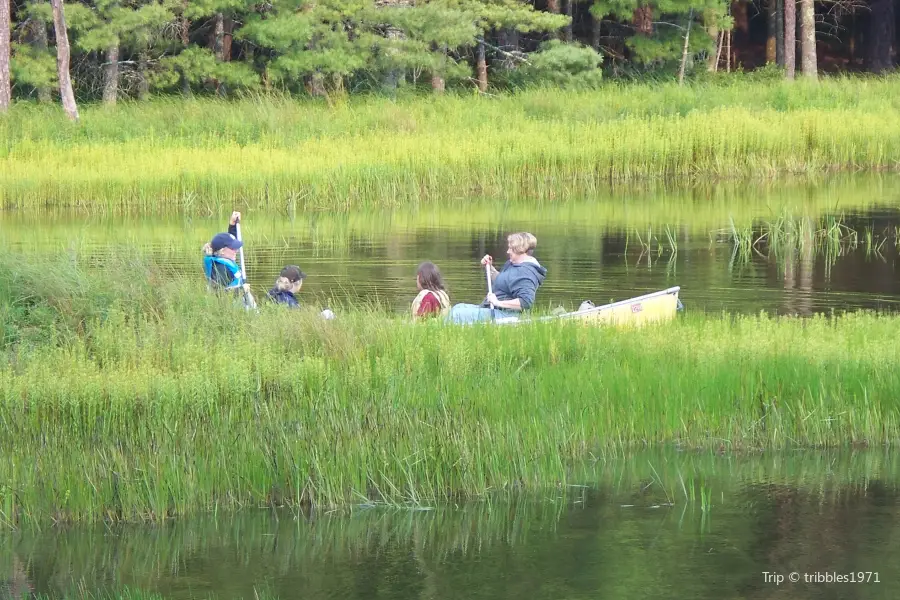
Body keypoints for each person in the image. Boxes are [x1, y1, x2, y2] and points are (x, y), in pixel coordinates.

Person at [447, 232, 547, 324]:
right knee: (459, 307)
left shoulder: (525, 272)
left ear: (520, 250)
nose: (508, 251)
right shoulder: (513, 264)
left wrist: (497, 302)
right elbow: (502, 281)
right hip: (494, 310)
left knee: (457, 313)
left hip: (507, 315)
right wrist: (489, 267)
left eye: (511, 248)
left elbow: (525, 302)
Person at [202, 211, 256, 308]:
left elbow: (229, 240)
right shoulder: (220, 269)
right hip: (230, 310)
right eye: (233, 248)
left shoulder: (224, 259)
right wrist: (241, 289)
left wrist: (232, 224)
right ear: (222, 251)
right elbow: (221, 293)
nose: (236, 250)